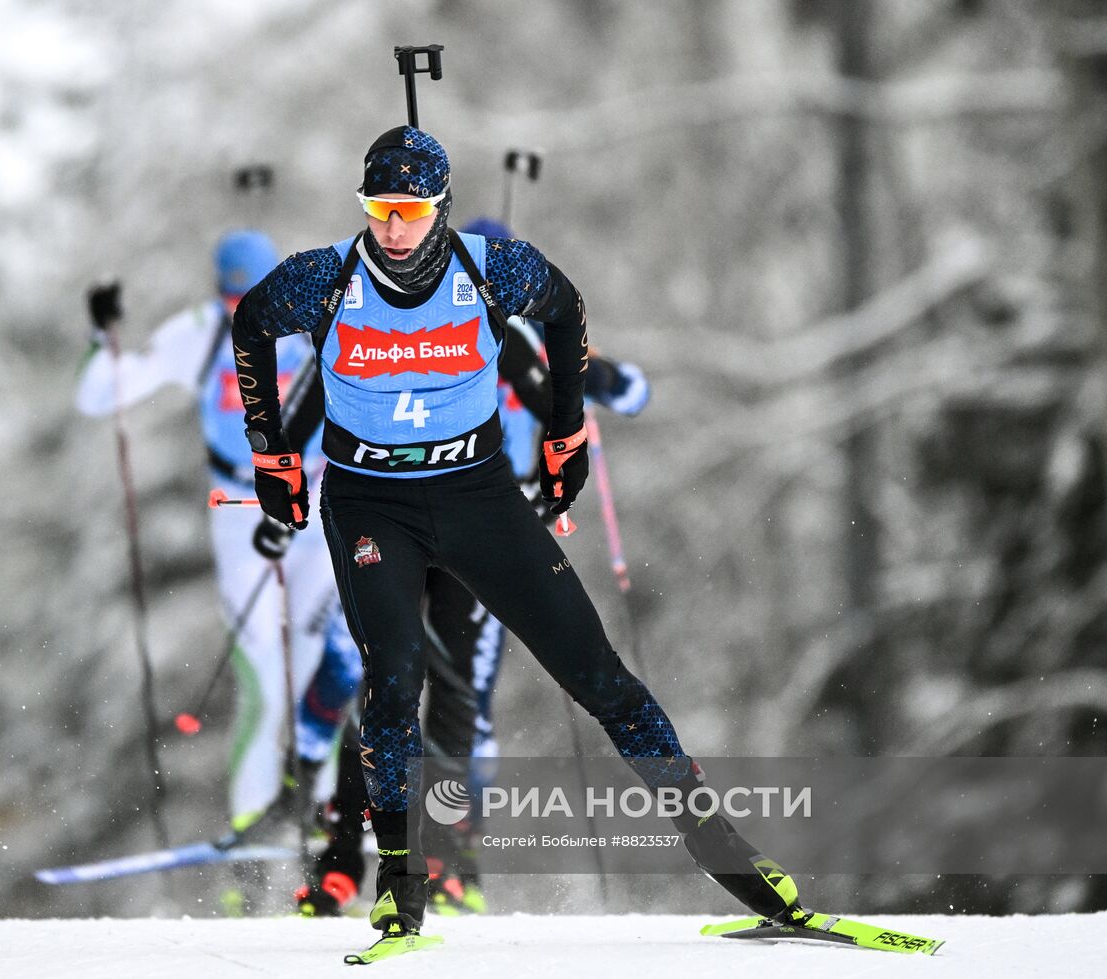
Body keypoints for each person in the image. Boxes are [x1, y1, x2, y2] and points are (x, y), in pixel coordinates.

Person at [231, 127, 804, 947]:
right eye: (380, 210)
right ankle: (399, 880)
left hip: (478, 495)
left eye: (411, 210)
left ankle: (731, 857)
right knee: (393, 681)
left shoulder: (487, 268)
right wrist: (272, 453)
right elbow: (251, 324)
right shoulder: (327, 277)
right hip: (372, 504)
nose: (394, 228)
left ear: (441, 207)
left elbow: (567, 310)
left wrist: (565, 436)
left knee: (598, 672)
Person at [292, 214, 654, 919]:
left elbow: (599, 387)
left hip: (472, 521)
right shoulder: (451, 323)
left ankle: (365, 850)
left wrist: (590, 385)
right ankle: (399, 852)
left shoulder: (490, 322)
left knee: (416, 688)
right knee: (432, 691)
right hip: (439, 517)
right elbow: (608, 390)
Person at [75, 230, 362, 875]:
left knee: (321, 663)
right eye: (233, 297)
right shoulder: (201, 331)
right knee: (262, 677)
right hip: (239, 510)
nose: (244, 312)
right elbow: (99, 395)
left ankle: (322, 826)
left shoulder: (318, 319)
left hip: (317, 506)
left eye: (254, 296)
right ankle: (253, 848)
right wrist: (105, 339)